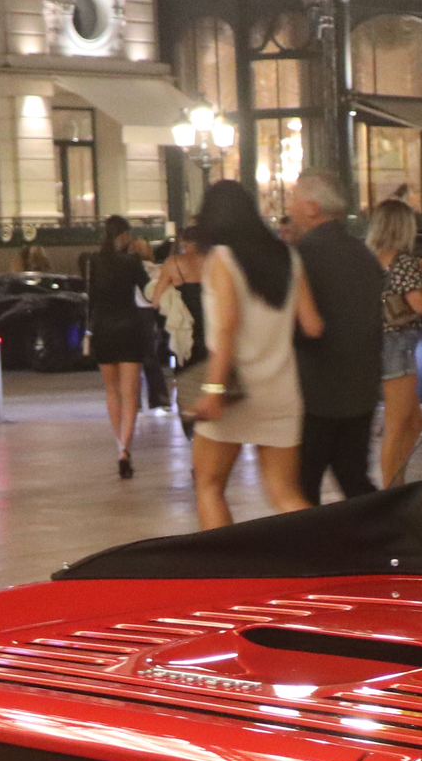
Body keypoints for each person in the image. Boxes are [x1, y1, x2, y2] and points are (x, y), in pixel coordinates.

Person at [189, 178, 322, 529]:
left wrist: (213, 391)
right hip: (280, 390)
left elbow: (227, 327)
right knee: (284, 492)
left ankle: (226, 576)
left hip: (233, 391)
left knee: (209, 484)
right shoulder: (288, 257)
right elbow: (312, 325)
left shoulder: (222, 258)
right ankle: (323, 558)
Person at [287, 170, 386, 503]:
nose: (288, 207)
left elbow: (296, 323)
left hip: (314, 391)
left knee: (301, 486)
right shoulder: (364, 255)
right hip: (359, 389)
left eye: (293, 199)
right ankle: (377, 541)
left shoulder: (302, 257)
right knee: (354, 478)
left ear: (313, 207)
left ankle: (309, 553)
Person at [370, 198, 422, 488]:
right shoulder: (404, 262)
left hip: (374, 342)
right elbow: (420, 306)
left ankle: (398, 481)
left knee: (413, 423)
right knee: (397, 426)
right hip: (399, 344)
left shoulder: (367, 258)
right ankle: (389, 491)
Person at [86, 216, 150, 478]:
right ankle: (126, 448)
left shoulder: (91, 261)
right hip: (129, 328)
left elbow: (90, 297)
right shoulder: (132, 262)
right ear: (122, 236)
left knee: (111, 392)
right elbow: (147, 291)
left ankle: (119, 445)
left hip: (102, 329)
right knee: (130, 393)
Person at [151, 225, 209, 438]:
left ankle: (191, 433)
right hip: (212, 331)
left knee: (185, 382)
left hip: (185, 334)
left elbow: (155, 301)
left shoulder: (173, 263)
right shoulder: (213, 261)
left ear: (183, 242)